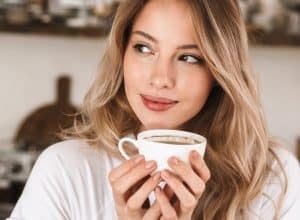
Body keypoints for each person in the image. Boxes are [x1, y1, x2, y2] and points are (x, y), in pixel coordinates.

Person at [7, 0, 300, 219]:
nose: (160, 79)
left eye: (188, 57)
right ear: (122, 52)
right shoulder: (65, 171)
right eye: (144, 49)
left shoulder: (276, 179)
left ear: (219, 72)